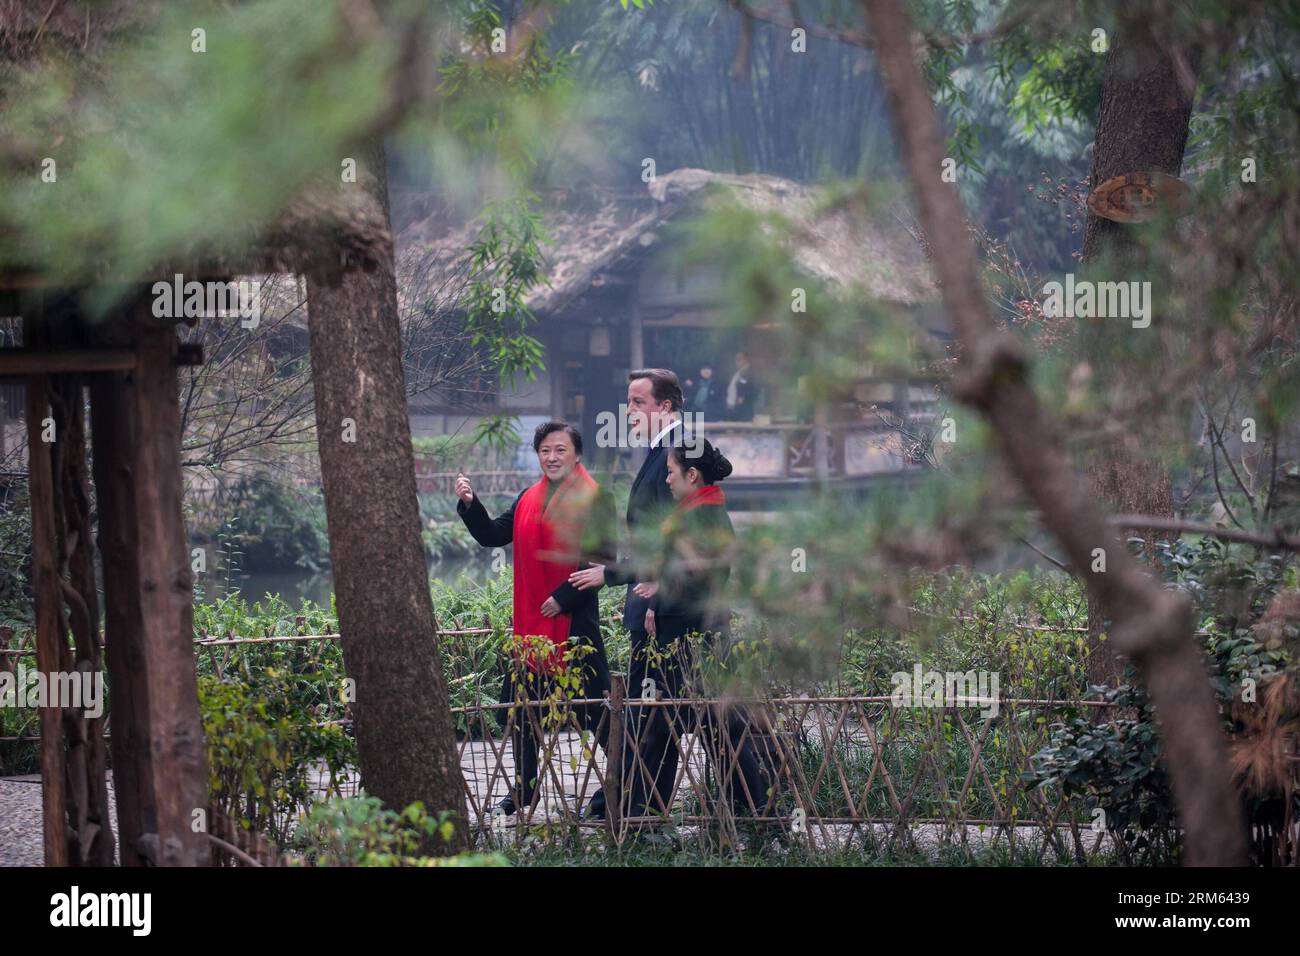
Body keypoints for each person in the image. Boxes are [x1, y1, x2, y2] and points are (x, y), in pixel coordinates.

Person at [455, 422, 615, 817]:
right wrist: (472, 504)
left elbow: (602, 560)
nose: (552, 457)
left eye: (560, 450)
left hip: (576, 625)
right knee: (522, 711)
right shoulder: (529, 497)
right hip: (530, 628)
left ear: (576, 454)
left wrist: (563, 597)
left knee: (597, 710)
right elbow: (492, 535)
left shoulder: (596, 498)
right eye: (545, 450)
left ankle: (628, 782)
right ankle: (524, 790)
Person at [620, 439, 769, 820]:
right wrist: (657, 600)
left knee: (708, 731)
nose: (667, 479)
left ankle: (649, 819)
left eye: (671, 472)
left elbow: (701, 575)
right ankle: (753, 816)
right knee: (706, 730)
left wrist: (660, 593)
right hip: (689, 635)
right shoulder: (694, 513)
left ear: (691, 474)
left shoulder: (702, 516)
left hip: (694, 638)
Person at [567, 368, 682, 818]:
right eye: (629, 402)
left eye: (638, 402)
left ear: (665, 407)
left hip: (667, 608)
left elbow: (680, 540)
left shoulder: (680, 451)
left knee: (667, 712)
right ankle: (631, 801)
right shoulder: (658, 452)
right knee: (651, 710)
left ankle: (634, 803)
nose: (629, 411)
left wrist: (642, 591)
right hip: (652, 604)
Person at [724, 351, 756, 421]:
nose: (737, 361)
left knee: (743, 425)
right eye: (737, 359)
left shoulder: (749, 372)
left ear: (746, 359)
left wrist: (742, 396)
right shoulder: (738, 372)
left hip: (743, 406)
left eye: (740, 358)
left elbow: (748, 386)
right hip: (733, 405)